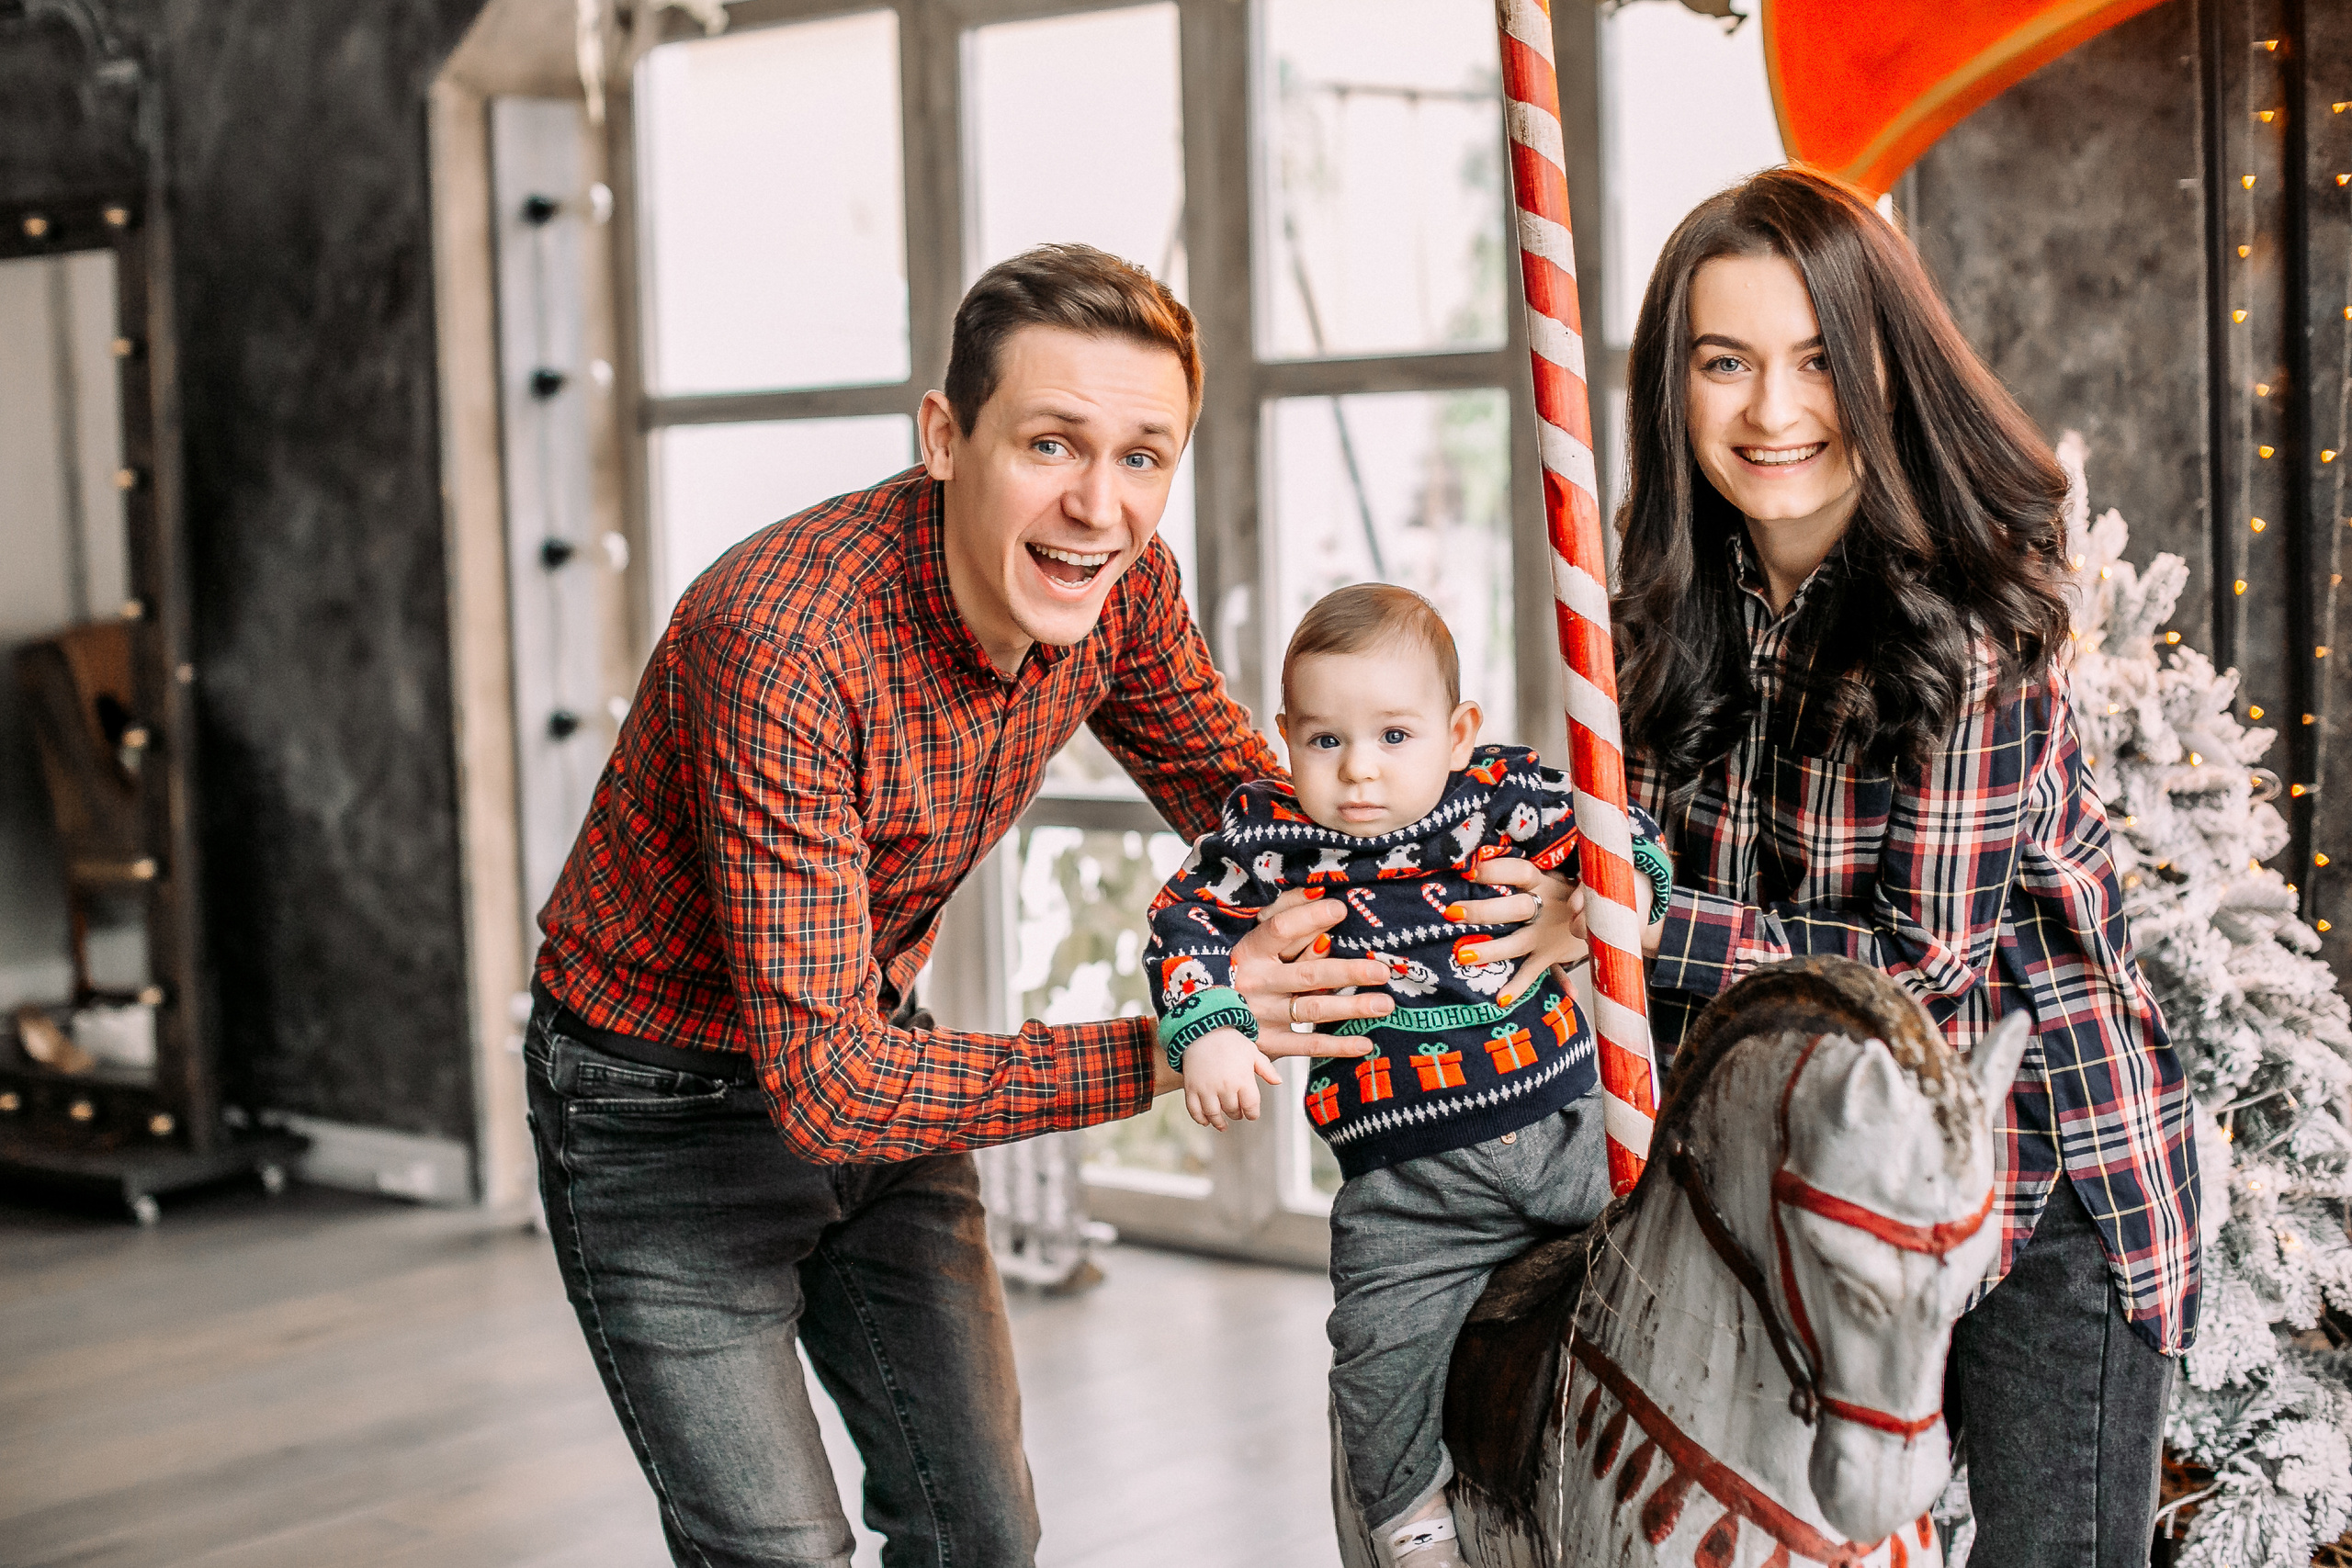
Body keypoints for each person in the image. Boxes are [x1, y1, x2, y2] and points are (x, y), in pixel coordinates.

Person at [523, 243, 1583, 1568]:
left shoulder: (1120, 589)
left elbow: (1264, 822)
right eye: (1050, 442)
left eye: (1144, 454)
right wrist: (1187, 1028)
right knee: (780, 1548)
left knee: (984, 1529)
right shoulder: (783, 647)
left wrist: (1506, 886)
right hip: (655, 1112)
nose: (1099, 503)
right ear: (944, 436)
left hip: (877, 1059)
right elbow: (828, 1088)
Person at [1611, 166, 2199, 1565]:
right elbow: (1624, 890)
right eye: (1724, 361)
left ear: (1888, 371)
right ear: (1672, 386)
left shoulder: (1971, 625)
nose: (1771, 410)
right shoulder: (1664, 618)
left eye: (1819, 358)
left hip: (2040, 1167)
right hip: (1807, 1188)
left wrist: (1640, 922)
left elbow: (1919, 980)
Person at [1144, 584, 1672, 1568]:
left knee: (1689, 1233)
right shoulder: (1268, 838)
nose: (1358, 775)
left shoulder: (1498, 797)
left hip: (1569, 1133)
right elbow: (1185, 926)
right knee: (1376, 1355)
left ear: (1457, 729)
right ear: (1287, 735)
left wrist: (1621, 887)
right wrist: (1208, 1028)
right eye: (1326, 742)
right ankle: (1409, 1522)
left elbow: (1615, 825)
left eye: (1393, 736)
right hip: (1410, 1193)